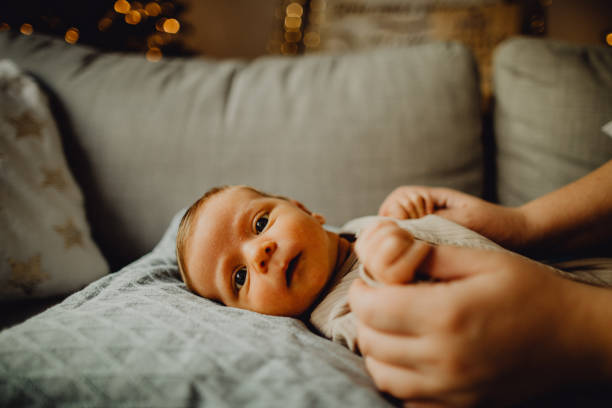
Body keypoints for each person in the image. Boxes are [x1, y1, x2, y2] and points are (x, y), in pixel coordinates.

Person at [349, 159, 612, 407]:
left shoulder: (364, 225)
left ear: (309, 211)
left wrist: (579, 324)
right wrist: (524, 223)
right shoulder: (326, 312)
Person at [174, 184, 508, 350]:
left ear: (305, 209)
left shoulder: (358, 226)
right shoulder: (343, 315)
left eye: (260, 223)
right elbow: (421, 340)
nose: (258, 253)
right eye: (240, 276)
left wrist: (404, 209)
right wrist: (396, 275)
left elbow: (404, 226)